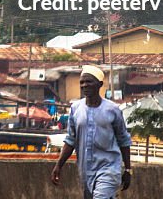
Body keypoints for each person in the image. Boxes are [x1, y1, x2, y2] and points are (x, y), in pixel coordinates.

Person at [50, 65, 132, 199]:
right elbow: (71, 140)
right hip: (86, 170)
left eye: (89, 82)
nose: (84, 85)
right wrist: (58, 165)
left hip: (109, 168)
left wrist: (128, 169)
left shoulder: (112, 110)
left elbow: (124, 140)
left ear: (99, 84)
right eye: (82, 82)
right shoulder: (76, 109)